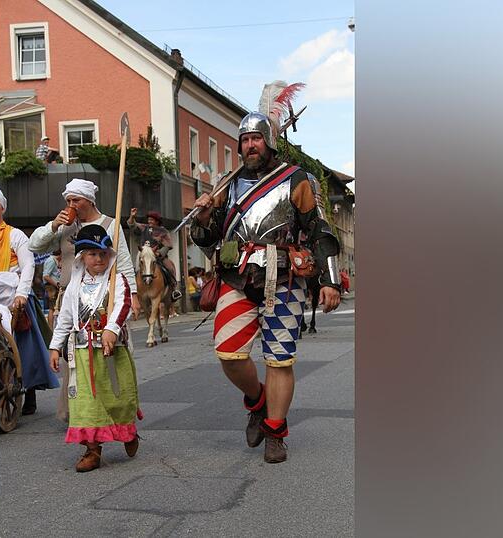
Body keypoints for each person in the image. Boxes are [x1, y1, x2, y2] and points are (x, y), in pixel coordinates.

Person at [189, 111, 342, 463]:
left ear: (269, 141)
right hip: (237, 277)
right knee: (228, 353)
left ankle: (275, 431)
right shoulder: (228, 184)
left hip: (285, 278)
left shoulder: (297, 179)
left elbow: (320, 230)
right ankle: (258, 402)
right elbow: (208, 238)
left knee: (279, 360)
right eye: (244, 140)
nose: (250, 145)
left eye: (256, 138)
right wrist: (202, 216)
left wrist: (330, 280)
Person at [48, 224, 141, 473]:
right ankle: (92, 450)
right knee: (87, 403)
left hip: (112, 352)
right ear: (82, 257)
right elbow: (65, 318)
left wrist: (111, 328)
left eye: (102, 253)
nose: (98, 258)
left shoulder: (116, 280)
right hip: (81, 354)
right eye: (92, 254)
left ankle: (127, 432)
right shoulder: (74, 286)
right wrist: (55, 346)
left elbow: (124, 305)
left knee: (116, 399)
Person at [28, 178, 140, 319]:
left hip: (102, 298)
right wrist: (53, 226)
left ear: (90, 201)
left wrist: (133, 295)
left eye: (76, 200)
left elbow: (123, 262)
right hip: (69, 298)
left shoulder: (111, 225)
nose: (71, 205)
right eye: (68, 201)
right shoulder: (63, 227)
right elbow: (34, 246)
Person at [0, 188, 60, 416]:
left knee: (26, 344)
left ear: (2, 208)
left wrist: (22, 294)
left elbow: (28, 266)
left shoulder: (15, 235)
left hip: (13, 296)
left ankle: (28, 388)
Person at [127, 208, 182, 301]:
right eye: (149, 219)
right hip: (144, 255)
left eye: (152, 220)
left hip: (158, 256)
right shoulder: (144, 227)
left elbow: (167, 245)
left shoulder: (163, 231)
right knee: (134, 269)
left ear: (157, 221)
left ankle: (173, 290)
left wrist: (159, 253)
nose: (149, 221)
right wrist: (132, 216)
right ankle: (132, 289)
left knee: (169, 267)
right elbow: (132, 225)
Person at [43, 250, 62, 327]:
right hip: (51, 286)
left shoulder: (55, 261)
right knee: (52, 308)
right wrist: (56, 284)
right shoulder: (51, 261)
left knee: (54, 307)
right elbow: (46, 276)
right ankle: (50, 329)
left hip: (53, 286)